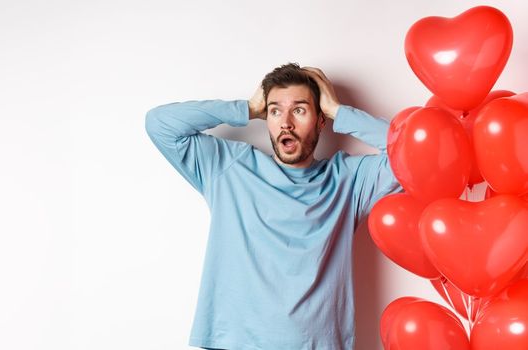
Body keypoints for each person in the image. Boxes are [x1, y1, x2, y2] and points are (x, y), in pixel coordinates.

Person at [144, 63, 403, 350]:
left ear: (320, 120)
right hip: (236, 343)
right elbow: (160, 123)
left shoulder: (347, 180)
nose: (286, 122)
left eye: (300, 110)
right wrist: (248, 108)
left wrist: (338, 110)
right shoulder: (230, 167)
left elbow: (410, 154)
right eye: (275, 110)